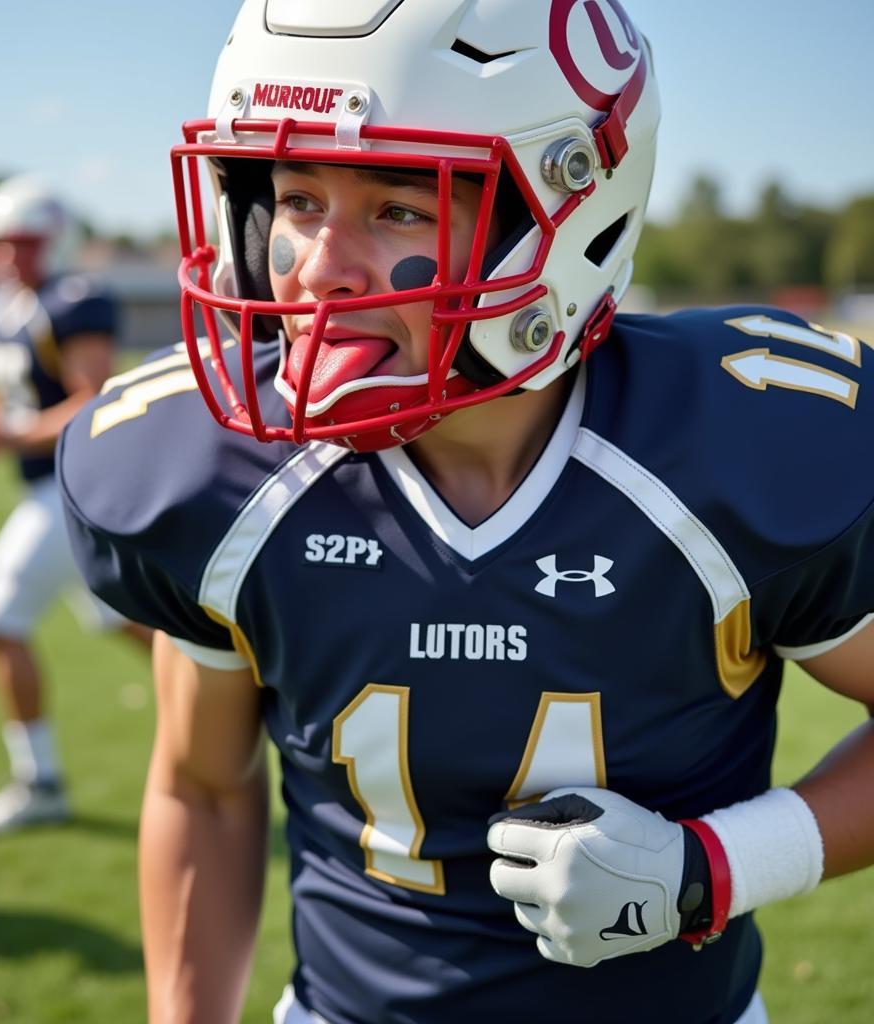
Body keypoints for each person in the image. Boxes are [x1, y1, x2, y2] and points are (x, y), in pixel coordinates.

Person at [57, 2, 874, 1022]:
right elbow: (203, 787)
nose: (316, 268)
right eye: (297, 197)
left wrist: (712, 867)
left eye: (398, 207)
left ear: (568, 209)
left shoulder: (725, 451)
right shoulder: (220, 474)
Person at [0, 174, 152, 837]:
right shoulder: (3, 307)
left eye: (23, 244)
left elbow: (93, 400)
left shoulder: (72, 300)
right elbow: (10, 405)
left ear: (57, 243)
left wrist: (8, 434)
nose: (8, 258)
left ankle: (41, 782)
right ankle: (241, 703)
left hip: (75, 487)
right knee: (126, 623)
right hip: (44, 486)